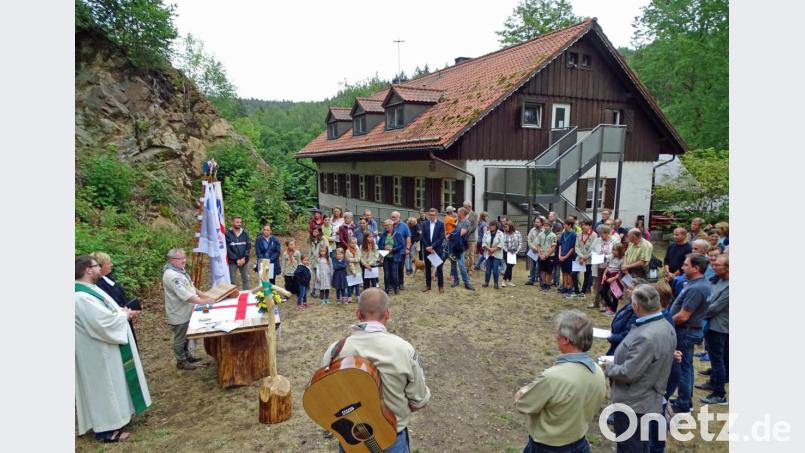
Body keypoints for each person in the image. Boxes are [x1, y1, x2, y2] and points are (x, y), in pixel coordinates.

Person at [321, 288, 431, 452]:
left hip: (352, 440)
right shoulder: (404, 349)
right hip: (392, 438)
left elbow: (326, 396)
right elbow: (419, 400)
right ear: (387, 314)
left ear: (358, 313)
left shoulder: (335, 350)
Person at [75, 255, 150, 443]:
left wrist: (123, 312)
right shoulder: (80, 296)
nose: (99, 269)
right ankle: (106, 430)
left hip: (105, 347)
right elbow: (101, 322)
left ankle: (118, 418)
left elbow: (110, 311)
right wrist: (123, 316)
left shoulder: (90, 290)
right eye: (96, 266)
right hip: (96, 352)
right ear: (87, 270)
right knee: (104, 388)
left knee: (113, 384)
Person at [514, 310, 606, 453]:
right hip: (580, 443)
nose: (555, 337)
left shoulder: (553, 378)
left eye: (558, 334)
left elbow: (524, 405)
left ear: (566, 339)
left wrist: (522, 392)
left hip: (547, 447)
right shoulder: (598, 372)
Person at [602, 285, 676, 453]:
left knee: (630, 446)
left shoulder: (647, 336)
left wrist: (608, 367)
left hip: (634, 402)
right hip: (648, 398)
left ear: (636, 306)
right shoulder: (665, 325)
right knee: (641, 445)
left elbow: (629, 373)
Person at [666, 253, 712, 414]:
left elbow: (684, 316)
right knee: (687, 366)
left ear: (696, 268)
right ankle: (685, 399)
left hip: (685, 331)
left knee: (682, 367)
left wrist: (666, 323)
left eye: (686, 265)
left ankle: (684, 403)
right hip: (688, 330)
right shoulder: (698, 284)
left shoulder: (697, 288)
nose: (682, 267)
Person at [162, 248, 212, 370]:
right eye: (181, 259)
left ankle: (187, 356)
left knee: (186, 336)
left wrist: (202, 294)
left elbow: (190, 287)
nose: (184, 260)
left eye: (184, 257)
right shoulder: (172, 275)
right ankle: (181, 361)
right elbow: (186, 296)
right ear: (172, 260)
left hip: (187, 310)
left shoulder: (179, 270)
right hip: (179, 313)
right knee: (180, 338)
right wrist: (204, 302)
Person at [697, 254, 729, 405]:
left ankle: (719, 394)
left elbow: (715, 307)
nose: (713, 267)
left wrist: (698, 311)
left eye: (717, 265)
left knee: (718, 360)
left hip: (719, 327)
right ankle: (714, 382)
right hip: (711, 324)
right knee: (717, 358)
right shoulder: (718, 280)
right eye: (713, 264)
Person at [92, 251, 138, 342]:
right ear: (99, 266)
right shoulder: (97, 285)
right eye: (108, 263)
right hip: (118, 320)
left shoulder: (108, 278)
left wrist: (132, 308)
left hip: (126, 316)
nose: (111, 265)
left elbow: (120, 294)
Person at [589, 225, 616, 310]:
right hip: (597, 265)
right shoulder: (597, 240)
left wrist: (605, 257)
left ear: (607, 233)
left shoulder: (614, 241)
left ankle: (604, 304)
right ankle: (595, 302)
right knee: (596, 285)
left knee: (605, 286)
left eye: (602, 233)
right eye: (599, 233)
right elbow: (592, 250)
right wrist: (595, 255)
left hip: (608, 266)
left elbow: (616, 253)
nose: (600, 235)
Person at [449, 207, 475, 290]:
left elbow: (460, 233)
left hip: (460, 246)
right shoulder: (458, 221)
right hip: (453, 244)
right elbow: (453, 230)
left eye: (458, 212)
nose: (456, 213)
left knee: (461, 264)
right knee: (453, 263)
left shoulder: (466, 222)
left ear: (462, 213)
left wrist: (451, 234)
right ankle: (456, 280)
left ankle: (467, 283)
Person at [421, 208, 446, 293]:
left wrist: (433, 247)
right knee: (427, 268)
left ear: (436, 215)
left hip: (436, 250)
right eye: (430, 215)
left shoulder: (440, 224)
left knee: (439, 268)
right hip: (427, 249)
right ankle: (428, 285)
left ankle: (441, 286)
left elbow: (441, 237)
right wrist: (428, 247)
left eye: (433, 215)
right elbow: (423, 237)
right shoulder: (425, 224)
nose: (431, 216)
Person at [379, 219, 405, 295]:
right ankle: (387, 288)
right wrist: (384, 248)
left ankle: (396, 288)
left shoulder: (398, 235)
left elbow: (402, 245)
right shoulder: (383, 235)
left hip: (395, 257)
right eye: (384, 225)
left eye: (386, 225)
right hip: (385, 257)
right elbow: (379, 244)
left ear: (391, 226)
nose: (385, 227)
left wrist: (393, 249)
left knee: (394, 274)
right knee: (386, 274)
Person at [599, 243, 625, 316]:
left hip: (615, 277)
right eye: (613, 250)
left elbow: (620, 272)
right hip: (608, 275)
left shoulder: (622, 259)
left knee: (614, 294)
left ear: (620, 251)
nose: (613, 252)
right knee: (602, 291)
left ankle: (613, 310)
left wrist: (614, 278)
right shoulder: (611, 257)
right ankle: (610, 306)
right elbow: (608, 266)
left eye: (615, 250)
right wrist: (604, 274)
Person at [225, 216, 251, 289]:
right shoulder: (227, 234)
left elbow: (248, 247)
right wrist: (236, 259)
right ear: (232, 222)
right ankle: (232, 296)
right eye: (237, 222)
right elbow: (228, 249)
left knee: (246, 279)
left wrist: (244, 258)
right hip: (232, 262)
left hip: (244, 261)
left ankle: (246, 295)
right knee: (232, 281)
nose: (239, 224)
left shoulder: (245, 233)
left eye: (240, 222)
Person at [574, 219, 597, 298]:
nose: (583, 226)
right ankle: (576, 290)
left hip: (588, 259)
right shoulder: (578, 234)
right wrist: (581, 256)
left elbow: (593, 248)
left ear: (590, 226)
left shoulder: (594, 235)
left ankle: (583, 291)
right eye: (582, 225)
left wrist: (586, 257)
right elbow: (576, 246)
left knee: (586, 275)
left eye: (586, 225)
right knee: (573, 274)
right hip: (579, 257)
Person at [557, 218, 578, 298]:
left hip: (569, 257)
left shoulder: (573, 234)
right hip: (562, 255)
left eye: (565, 224)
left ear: (569, 225)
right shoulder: (563, 234)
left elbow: (572, 248)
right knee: (564, 272)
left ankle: (570, 287)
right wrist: (559, 255)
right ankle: (565, 286)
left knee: (569, 273)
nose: (563, 226)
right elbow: (560, 245)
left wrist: (565, 256)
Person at [391, 211, 411, 290]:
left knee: (400, 268)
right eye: (392, 217)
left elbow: (408, 237)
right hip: (391, 251)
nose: (393, 218)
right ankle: (393, 284)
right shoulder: (390, 225)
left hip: (401, 251)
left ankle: (401, 283)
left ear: (399, 217)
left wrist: (407, 248)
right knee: (392, 268)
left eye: (394, 217)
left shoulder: (404, 226)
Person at [482, 220, 505, 289]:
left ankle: (496, 283)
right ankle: (486, 282)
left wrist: (493, 249)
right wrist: (488, 249)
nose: (491, 227)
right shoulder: (486, 233)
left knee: (495, 270)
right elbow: (483, 243)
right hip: (488, 253)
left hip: (497, 254)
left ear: (496, 226)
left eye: (493, 226)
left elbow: (501, 244)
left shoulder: (501, 233)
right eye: (490, 226)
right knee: (488, 270)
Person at [309, 227, 330, 297]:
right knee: (315, 276)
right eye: (313, 231)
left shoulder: (323, 239)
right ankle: (313, 291)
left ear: (320, 232)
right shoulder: (312, 239)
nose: (314, 233)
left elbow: (327, 249)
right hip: (314, 261)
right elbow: (310, 251)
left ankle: (319, 290)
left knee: (320, 276)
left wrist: (327, 259)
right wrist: (309, 259)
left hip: (322, 260)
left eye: (316, 231)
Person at [536, 220, 557, 292]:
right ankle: (543, 283)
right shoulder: (540, 234)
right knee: (542, 270)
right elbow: (538, 245)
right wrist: (540, 254)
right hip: (541, 255)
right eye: (544, 225)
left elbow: (553, 247)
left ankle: (548, 284)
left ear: (550, 227)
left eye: (547, 226)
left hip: (550, 256)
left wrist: (546, 255)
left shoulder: (553, 235)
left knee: (549, 271)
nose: (545, 227)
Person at [502, 221, 521, 287]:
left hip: (515, 252)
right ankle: (504, 280)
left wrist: (516, 251)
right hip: (507, 252)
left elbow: (520, 243)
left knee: (510, 266)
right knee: (509, 265)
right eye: (504, 227)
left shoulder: (517, 233)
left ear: (510, 227)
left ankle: (509, 281)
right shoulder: (504, 234)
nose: (505, 228)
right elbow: (503, 244)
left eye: (506, 227)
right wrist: (508, 251)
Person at [526, 217, 544, 286]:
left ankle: (541, 281)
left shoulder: (544, 231)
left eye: (537, 222)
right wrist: (533, 248)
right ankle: (531, 280)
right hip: (533, 251)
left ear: (541, 223)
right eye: (535, 222)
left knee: (539, 267)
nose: (536, 223)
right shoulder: (532, 230)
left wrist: (539, 249)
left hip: (540, 252)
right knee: (532, 266)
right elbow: (529, 240)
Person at [345, 237, 362, 303]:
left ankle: (358, 296)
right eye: (352, 243)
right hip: (350, 270)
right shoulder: (347, 251)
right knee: (350, 284)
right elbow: (349, 261)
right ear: (349, 243)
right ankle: (349, 296)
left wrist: (353, 259)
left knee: (357, 284)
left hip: (357, 269)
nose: (354, 244)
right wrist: (353, 270)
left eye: (355, 243)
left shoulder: (357, 250)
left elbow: (358, 259)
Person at [463, 201, 478, 273]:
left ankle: (471, 269)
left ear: (470, 207)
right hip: (464, 238)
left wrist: (466, 232)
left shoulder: (474, 215)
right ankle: (465, 268)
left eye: (465, 207)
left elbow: (474, 226)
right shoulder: (463, 214)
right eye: (464, 207)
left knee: (471, 254)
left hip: (471, 238)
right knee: (465, 254)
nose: (464, 209)